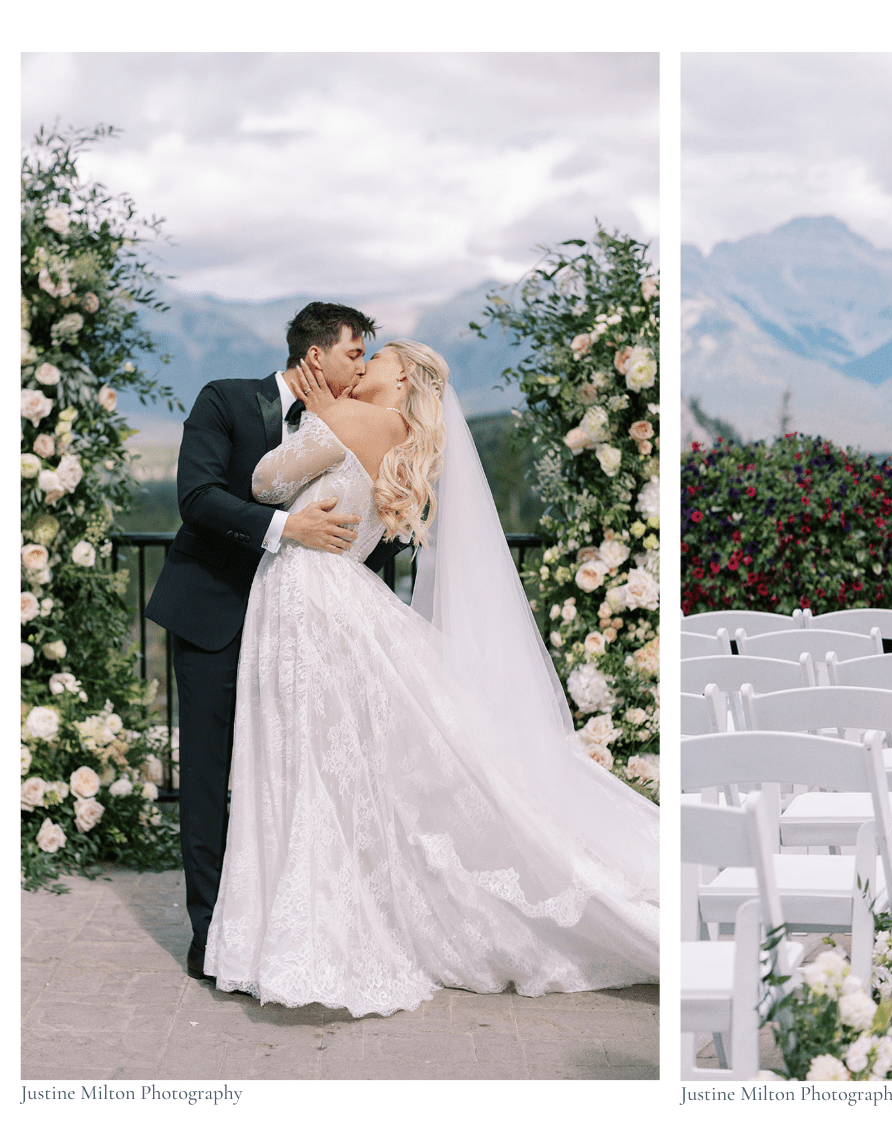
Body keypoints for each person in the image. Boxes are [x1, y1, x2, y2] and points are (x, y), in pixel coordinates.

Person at [200, 337, 659, 1017]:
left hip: (307, 597)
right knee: (326, 761)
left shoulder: (350, 417)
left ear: (404, 376)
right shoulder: (407, 437)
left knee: (302, 759)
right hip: (333, 598)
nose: (364, 366)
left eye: (378, 357)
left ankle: (305, 931)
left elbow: (265, 481)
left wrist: (314, 415)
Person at [145, 302, 402, 986]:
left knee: (290, 773)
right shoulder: (226, 399)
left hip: (302, 631)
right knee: (207, 777)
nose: (362, 368)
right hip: (215, 617)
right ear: (315, 355)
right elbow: (197, 497)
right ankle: (211, 935)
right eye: (354, 354)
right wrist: (287, 528)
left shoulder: (352, 423)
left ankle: (278, 925)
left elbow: (358, 532)